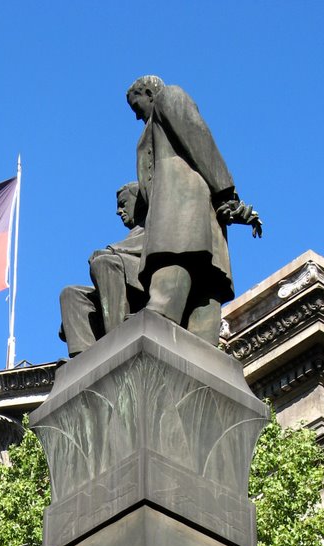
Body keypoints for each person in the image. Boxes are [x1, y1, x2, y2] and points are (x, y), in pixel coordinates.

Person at [126, 75, 262, 344]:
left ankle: (157, 337)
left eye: (136, 105)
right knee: (203, 299)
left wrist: (226, 194)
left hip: (182, 210)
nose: (136, 115)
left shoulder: (169, 97)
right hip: (192, 214)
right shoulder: (152, 126)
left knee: (176, 276)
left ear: (149, 93)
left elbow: (199, 139)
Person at [59, 182, 146, 357]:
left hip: (146, 280)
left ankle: (116, 340)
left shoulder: (154, 221)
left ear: (139, 202)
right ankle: (82, 358)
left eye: (123, 204)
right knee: (70, 293)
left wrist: (111, 251)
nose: (118, 211)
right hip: (125, 281)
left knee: (104, 264)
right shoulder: (133, 234)